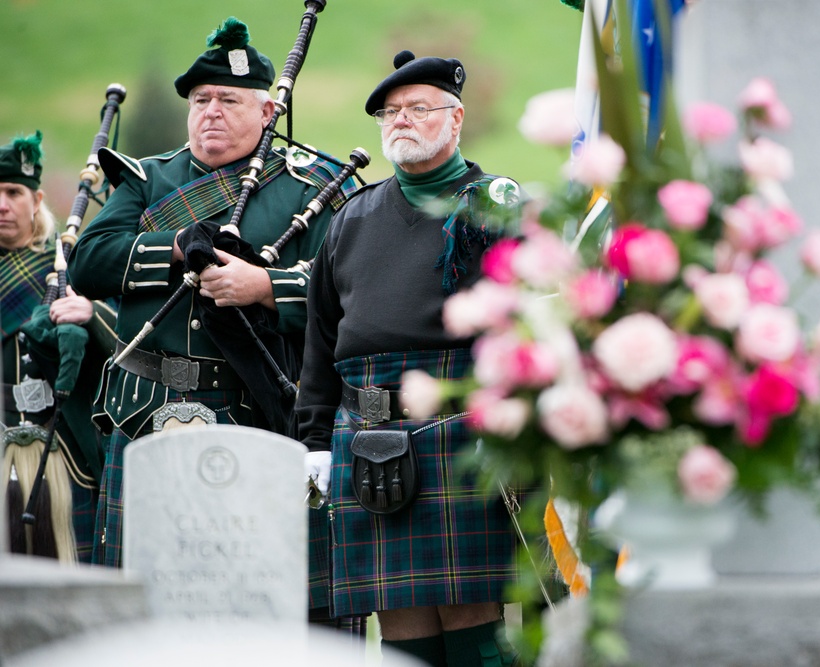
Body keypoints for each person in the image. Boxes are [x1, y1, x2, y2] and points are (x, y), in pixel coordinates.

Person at [67, 16, 356, 597]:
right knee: (143, 597)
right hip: (146, 411)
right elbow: (90, 263)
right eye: (201, 99)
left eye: (229, 99)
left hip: (259, 407)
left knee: (249, 591)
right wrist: (175, 250)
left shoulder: (312, 186)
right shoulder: (148, 181)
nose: (211, 111)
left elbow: (346, 290)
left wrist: (263, 286)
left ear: (268, 112)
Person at [296, 51, 522, 666]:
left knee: (469, 603)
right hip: (363, 430)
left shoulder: (494, 207)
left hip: (461, 427)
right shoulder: (351, 219)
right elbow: (321, 337)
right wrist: (316, 438)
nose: (401, 121)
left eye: (418, 108)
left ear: (456, 119)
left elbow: (529, 323)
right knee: (397, 612)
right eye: (390, 113)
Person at [1, 130, 116, 564]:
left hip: (64, 452)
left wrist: (89, 314)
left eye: (13, 192)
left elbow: (121, 339)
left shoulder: (70, 270)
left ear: (37, 200)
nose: (2, 205)